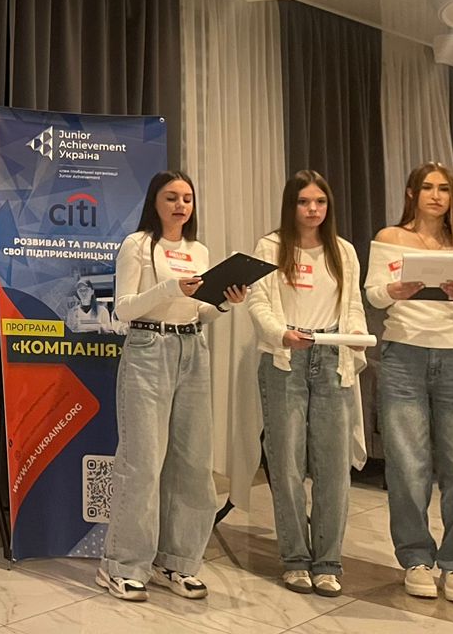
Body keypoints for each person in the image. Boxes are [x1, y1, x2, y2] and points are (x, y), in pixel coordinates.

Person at [98, 170, 248, 603]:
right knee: (143, 461)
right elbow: (124, 309)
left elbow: (199, 311)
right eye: (171, 197)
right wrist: (169, 288)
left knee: (193, 462)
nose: (181, 205)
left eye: (187, 198)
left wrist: (223, 303)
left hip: (192, 349)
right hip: (148, 347)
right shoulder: (138, 245)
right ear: (155, 202)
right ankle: (121, 565)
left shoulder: (198, 250)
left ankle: (176, 561)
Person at [365, 161, 453, 606]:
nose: (436, 196)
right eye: (428, 188)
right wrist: (394, 291)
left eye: (444, 189)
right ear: (412, 194)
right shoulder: (390, 238)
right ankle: (416, 559)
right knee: (407, 465)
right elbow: (373, 294)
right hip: (403, 355)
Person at [247, 170, 367, 598]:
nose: (313, 209)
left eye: (320, 201)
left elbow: (353, 305)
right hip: (285, 359)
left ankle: (328, 562)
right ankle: (296, 558)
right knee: (287, 465)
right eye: (304, 202)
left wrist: (355, 340)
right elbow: (258, 302)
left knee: (333, 467)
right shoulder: (271, 246)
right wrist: (281, 334)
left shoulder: (344, 251)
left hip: (333, 357)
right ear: (291, 205)